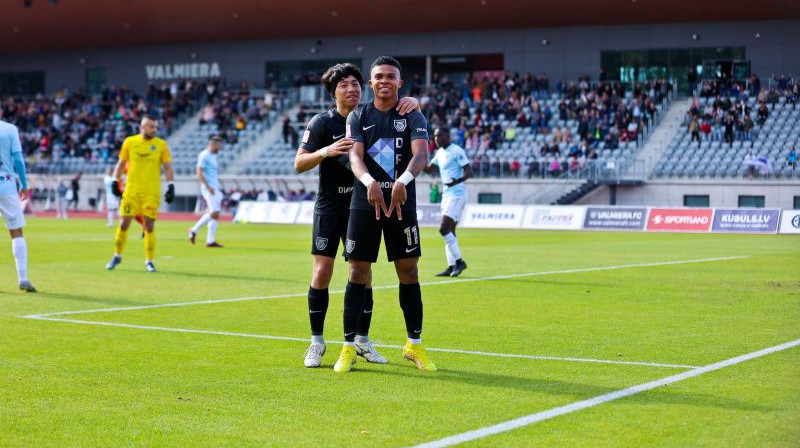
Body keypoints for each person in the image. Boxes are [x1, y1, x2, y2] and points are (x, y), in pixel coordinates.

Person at [293, 62, 420, 368]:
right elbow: (299, 163)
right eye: (343, 85)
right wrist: (326, 151)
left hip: (363, 205)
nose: (351, 89)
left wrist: (415, 102)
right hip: (331, 207)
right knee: (322, 272)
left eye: (355, 84)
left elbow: (399, 110)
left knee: (363, 276)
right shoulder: (322, 122)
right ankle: (316, 342)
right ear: (333, 91)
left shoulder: (366, 116)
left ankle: (362, 340)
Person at [335, 56, 435, 372]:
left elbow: (421, 154)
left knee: (409, 271)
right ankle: (349, 347)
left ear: (399, 82)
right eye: (378, 76)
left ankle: (414, 346)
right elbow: (355, 157)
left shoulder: (413, 114)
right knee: (357, 273)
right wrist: (368, 182)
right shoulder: (358, 116)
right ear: (371, 82)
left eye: (390, 76)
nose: (384, 81)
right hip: (365, 204)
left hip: (402, 203)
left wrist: (404, 180)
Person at [105, 115, 174, 272]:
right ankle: (117, 255)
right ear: (142, 127)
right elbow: (121, 163)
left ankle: (149, 260)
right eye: (151, 127)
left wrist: (171, 186)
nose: (155, 130)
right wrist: (115, 181)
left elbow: (168, 167)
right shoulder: (130, 142)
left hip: (151, 192)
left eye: (156, 127)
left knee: (149, 226)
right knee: (123, 224)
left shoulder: (161, 145)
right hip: (131, 192)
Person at [423, 126, 471, 277]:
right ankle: (451, 266)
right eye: (435, 137)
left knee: (444, 228)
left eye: (440, 136)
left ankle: (459, 262)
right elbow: (429, 169)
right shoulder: (440, 153)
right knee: (450, 231)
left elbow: (469, 170)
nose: (436, 139)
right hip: (447, 194)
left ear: (447, 136)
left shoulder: (456, 151)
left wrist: (458, 181)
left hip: (457, 194)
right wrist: (415, 157)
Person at [0, 110, 36, 292]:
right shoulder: (10, 129)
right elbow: (18, 160)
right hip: (5, 185)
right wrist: (23, 183)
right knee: (16, 231)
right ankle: (23, 278)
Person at [188, 135, 224, 248]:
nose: (220, 148)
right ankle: (194, 230)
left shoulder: (213, 156)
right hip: (209, 188)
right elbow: (199, 172)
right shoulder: (204, 155)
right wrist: (208, 186)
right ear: (213, 144)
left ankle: (210, 241)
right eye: (218, 145)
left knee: (216, 214)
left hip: (214, 187)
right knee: (214, 212)